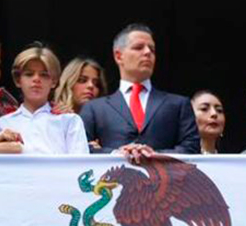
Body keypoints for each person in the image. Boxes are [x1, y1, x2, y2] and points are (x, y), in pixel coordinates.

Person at [79, 23, 200, 160]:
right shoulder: (94, 108)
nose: (148, 52)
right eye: (138, 47)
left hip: (165, 173)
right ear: (118, 56)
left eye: (152, 49)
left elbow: (192, 147)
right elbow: (80, 148)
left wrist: (155, 156)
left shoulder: (178, 104)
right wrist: (116, 154)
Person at [0, 44, 89, 154]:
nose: (36, 79)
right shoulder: (1, 124)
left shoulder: (69, 121)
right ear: (18, 80)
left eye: (44, 75)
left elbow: (80, 161)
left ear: (54, 81)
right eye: (29, 74)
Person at [191, 90, 225, 154]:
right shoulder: (177, 157)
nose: (214, 114)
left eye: (219, 110)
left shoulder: (233, 159)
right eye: (204, 109)